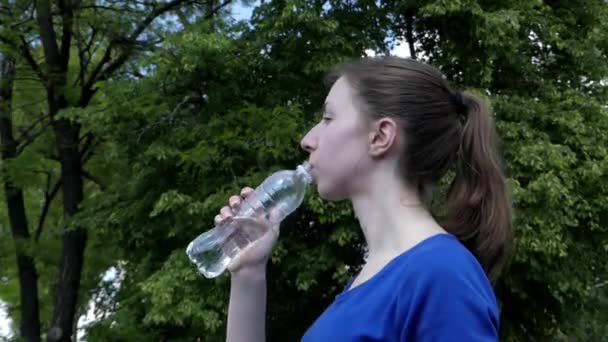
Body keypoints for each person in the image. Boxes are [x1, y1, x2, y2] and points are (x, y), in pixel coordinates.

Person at [215, 56, 513, 341]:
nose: (307, 139)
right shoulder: (376, 277)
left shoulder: (442, 275)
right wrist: (248, 275)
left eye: (328, 118)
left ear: (380, 136)